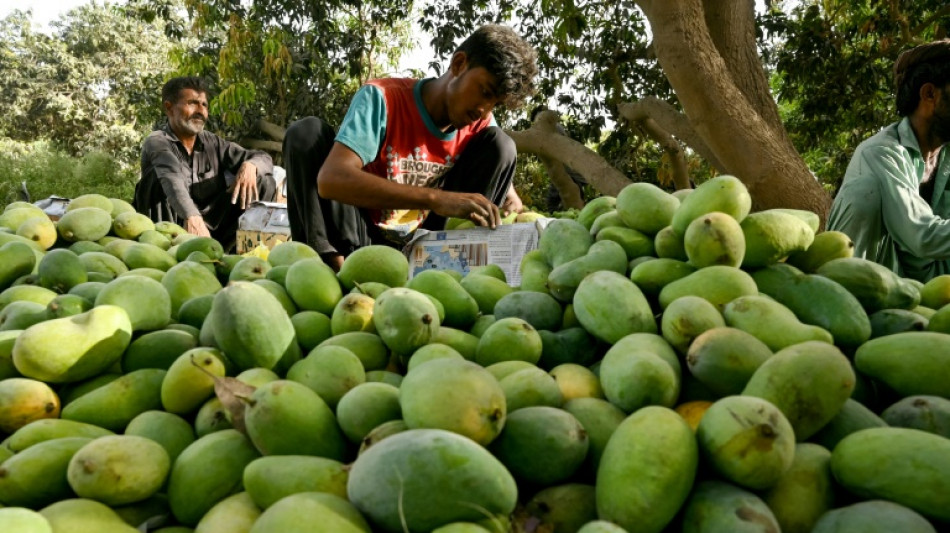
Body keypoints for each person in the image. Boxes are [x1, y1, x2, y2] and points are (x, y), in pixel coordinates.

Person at [282, 24, 537, 271]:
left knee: (503, 145)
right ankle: (331, 270)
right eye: (484, 91)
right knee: (306, 133)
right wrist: (436, 198)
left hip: (426, 246)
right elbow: (331, 179)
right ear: (459, 64)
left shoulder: (479, 121)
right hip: (361, 239)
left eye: (495, 103)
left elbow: (497, 156)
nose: (484, 110)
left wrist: (510, 195)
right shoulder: (383, 99)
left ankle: (454, 271)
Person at [828, 39, 950, 282]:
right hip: (879, 282)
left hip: (937, 291)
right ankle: (847, 291)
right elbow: (922, 235)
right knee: (865, 193)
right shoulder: (881, 152)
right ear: (929, 95)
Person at [135, 76, 276, 250]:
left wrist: (251, 165)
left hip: (213, 227)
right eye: (192, 103)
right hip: (172, 228)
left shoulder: (213, 142)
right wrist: (191, 216)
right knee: (157, 179)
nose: (200, 111)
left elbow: (263, 157)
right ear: (169, 108)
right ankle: (165, 253)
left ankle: (236, 253)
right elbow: (172, 181)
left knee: (263, 179)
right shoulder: (157, 141)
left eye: (204, 105)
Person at [530, 106, 587, 212]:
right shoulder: (554, 127)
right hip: (569, 171)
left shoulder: (552, 127)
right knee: (571, 200)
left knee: (553, 203)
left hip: (568, 172)